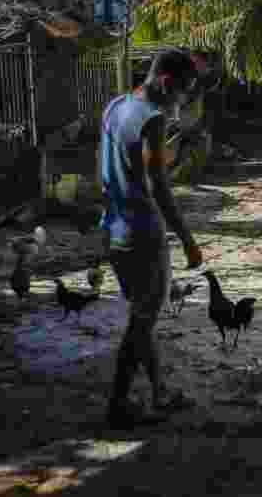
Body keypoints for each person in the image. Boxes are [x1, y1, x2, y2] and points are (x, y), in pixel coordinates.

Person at [98, 47, 205, 429]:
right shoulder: (153, 120)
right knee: (142, 322)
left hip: (113, 227)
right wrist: (189, 241)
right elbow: (160, 188)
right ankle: (118, 403)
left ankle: (159, 391)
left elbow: (106, 170)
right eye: (182, 91)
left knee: (141, 315)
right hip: (143, 231)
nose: (183, 99)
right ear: (165, 82)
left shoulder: (115, 106)